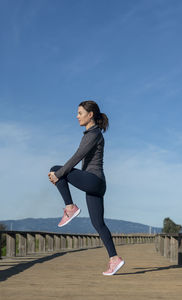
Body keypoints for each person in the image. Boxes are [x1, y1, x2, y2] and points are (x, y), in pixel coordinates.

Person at [48, 100, 124, 276]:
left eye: (80, 113)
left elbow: (77, 156)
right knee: (98, 223)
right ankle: (114, 259)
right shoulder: (93, 134)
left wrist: (58, 174)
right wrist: (60, 174)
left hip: (93, 180)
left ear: (90, 115)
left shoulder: (93, 134)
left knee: (55, 169)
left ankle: (70, 207)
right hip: (97, 185)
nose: (77, 116)